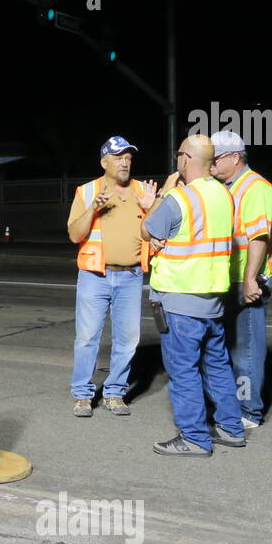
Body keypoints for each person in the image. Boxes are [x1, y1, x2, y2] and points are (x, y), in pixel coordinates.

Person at [140, 135, 245, 456]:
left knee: (183, 371)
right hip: (212, 299)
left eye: (178, 155)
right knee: (217, 364)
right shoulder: (224, 194)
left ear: (185, 159)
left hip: (180, 299)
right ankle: (231, 428)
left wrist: (162, 194)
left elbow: (147, 230)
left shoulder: (179, 198)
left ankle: (195, 438)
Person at [65, 136, 159, 417]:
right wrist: (93, 208)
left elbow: (157, 231)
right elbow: (74, 234)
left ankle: (115, 392)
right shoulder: (87, 190)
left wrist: (150, 206)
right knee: (86, 337)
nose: (125, 162)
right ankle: (83, 394)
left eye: (129, 158)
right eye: (118, 157)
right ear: (104, 161)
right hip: (95, 276)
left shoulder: (144, 191)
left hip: (130, 277)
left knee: (128, 339)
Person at [210, 130, 272, 430]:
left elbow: (259, 236)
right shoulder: (226, 186)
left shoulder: (255, 187)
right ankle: (231, 404)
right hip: (227, 279)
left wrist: (250, 279)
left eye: (216, 158)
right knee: (224, 346)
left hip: (245, 281)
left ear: (235, 158)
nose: (210, 164)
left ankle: (249, 412)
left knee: (245, 350)